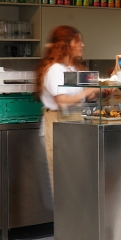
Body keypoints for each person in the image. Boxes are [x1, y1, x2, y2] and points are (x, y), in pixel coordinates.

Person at [36, 25, 96, 192]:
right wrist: (88, 91)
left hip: (71, 126)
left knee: (73, 182)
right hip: (56, 126)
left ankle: (74, 218)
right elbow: (63, 102)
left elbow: (80, 95)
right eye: (77, 41)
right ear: (66, 44)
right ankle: (65, 219)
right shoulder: (54, 69)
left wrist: (96, 92)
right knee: (63, 183)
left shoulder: (71, 69)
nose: (82, 45)